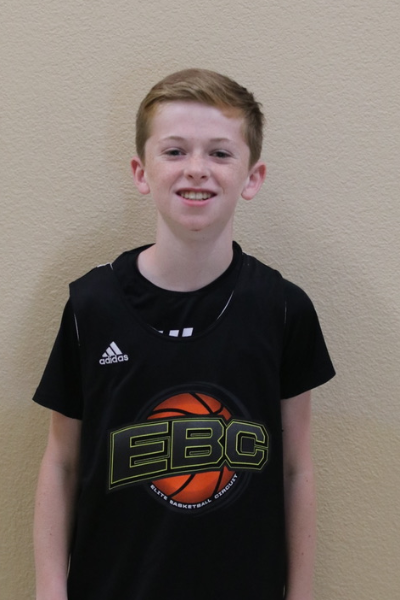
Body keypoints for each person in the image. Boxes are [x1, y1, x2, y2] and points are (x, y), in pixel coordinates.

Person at [33, 68, 335, 600]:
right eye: (175, 151)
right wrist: (49, 589)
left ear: (252, 177)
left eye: (220, 153)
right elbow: (61, 462)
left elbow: (295, 470)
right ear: (141, 171)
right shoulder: (91, 306)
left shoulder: (284, 310)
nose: (197, 169)